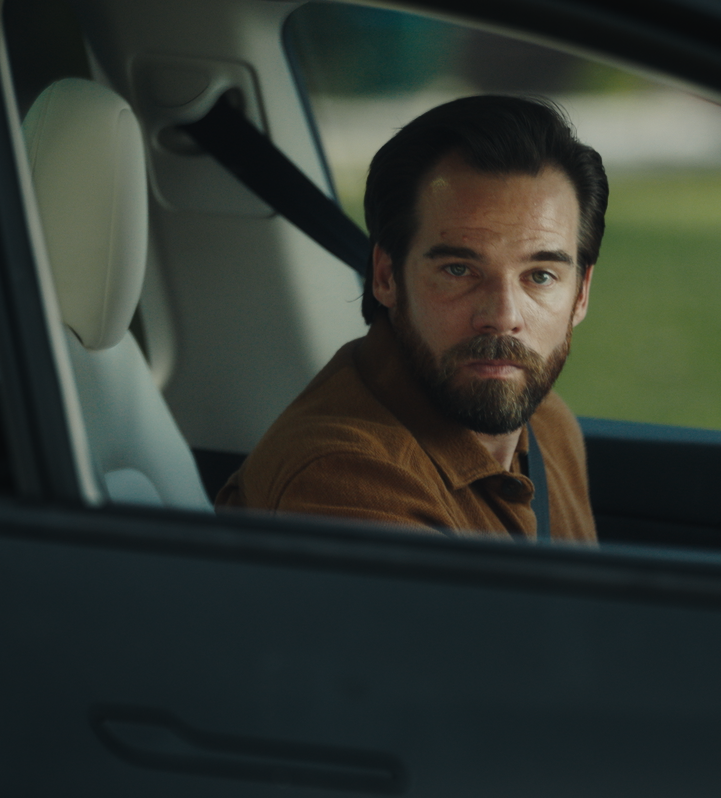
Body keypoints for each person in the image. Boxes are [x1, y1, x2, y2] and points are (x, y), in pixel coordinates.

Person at [216, 95, 604, 542]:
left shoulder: (548, 424)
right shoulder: (346, 481)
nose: (503, 317)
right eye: (458, 270)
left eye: (540, 275)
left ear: (580, 294)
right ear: (386, 277)